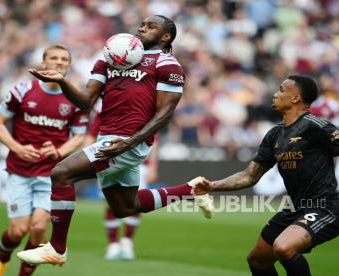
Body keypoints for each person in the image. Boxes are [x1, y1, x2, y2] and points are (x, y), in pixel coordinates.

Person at [17, 15, 213, 266]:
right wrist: (62, 82)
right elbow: (86, 102)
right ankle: (191, 190)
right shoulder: (109, 57)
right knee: (125, 207)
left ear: (166, 37)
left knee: (61, 173)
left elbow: (164, 115)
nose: (142, 27)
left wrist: (130, 143)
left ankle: (57, 248)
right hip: (109, 138)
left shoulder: (167, 64)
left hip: (127, 143)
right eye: (142, 24)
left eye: (151, 26)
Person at [192, 75, 339, 276]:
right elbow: (250, 176)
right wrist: (213, 186)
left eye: (281, 90)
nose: (275, 94)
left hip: (325, 208)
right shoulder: (274, 134)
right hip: (294, 208)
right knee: (257, 260)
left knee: (283, 247)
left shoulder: (316, 126)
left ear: (295, 98)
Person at [0, 45, 88, 276]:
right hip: (20, 171)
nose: (59, 62)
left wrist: (60, 153)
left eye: (64, 59)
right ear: (44, 62)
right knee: (17, 231)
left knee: (39, 228)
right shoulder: (22, 90)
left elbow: (80, 135)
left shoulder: (76, 99)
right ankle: (2, 258)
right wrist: (17, 147)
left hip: (52, 175)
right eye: (54, 57)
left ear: (69, 65)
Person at [84, 112, 159, 261]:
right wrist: (87, 161)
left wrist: (152, 166)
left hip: (138, 163)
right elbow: (90, 137)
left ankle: (127, 241)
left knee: (135, 202)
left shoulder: (141, 109)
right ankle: (113, 244)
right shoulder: (103, 113)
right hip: (108, 162)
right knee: (110, 203)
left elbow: (153, 140)